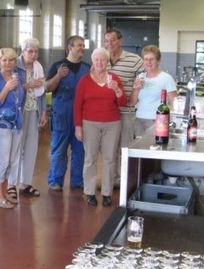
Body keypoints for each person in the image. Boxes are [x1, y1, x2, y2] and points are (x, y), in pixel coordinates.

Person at [74, 48, 127, 207]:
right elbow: (77, 105)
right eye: (96, 60)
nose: (100, 62)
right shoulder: (85, 80)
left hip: (112, 123)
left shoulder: (115, 79)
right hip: (90, 123)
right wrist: (78, 126)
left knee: (110, 159)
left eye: (103, 59)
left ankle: (106, 193)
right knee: (90, 158)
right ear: (93, 62)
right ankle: (89, 192)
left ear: (107, 62)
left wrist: (117, 90)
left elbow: (123, 102)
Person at [45, 36, 90, 192]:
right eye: (79, 45)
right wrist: (58, 76)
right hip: (62, 114)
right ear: (69, 47)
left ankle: (77, 180)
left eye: (83, 45)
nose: (82, 48)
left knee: (80, 149)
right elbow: (47, 88)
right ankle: (55, 181)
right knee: (59, 148)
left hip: (82, 116)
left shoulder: (88, 68)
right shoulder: (57, 66)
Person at [8, 38, 47, 201]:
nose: (33, 54)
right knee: (16, 147)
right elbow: (11, 88)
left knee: (31, 147)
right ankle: (11, 184)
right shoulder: (14, 66)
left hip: (34, 109)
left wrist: (44, 111)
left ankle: (25, 183)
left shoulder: (38, 66)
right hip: (19, 111)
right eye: (30, 51)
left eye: (36, 51)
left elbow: (43, 90)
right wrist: (28, 85)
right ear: (22, 51)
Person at [104, 29, 145, 184]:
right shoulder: (102, 59)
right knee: (110, 148)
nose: (109, 44)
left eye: (112, 40)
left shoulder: (135, 60)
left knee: (125, 147)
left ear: (120, 41)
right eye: (106, 41)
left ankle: (125, 180)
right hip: (108, 112)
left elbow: (143, 84)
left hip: (127, 111)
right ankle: (113, 179)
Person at [0, 48, 24, 209]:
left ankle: (5, 191)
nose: (8, 63)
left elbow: (19, 100)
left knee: (12, 160)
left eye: (11, 60)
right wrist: (6, 88)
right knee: (2, 159)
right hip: (0, 123)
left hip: (16, 123)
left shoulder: (18, 77)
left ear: (15, 61)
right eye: (4, 60)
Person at [130, 45, 178, 135]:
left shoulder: (166, 78)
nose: (148, 62)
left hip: (157, 120)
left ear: (158, 61)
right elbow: (132, 102)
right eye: (146, 59)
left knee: (154, 147)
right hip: (139, 120)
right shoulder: (140, 77)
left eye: (152, 59)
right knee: (139, 148)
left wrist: (167, 120)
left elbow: (175, 103)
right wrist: (136, 89)